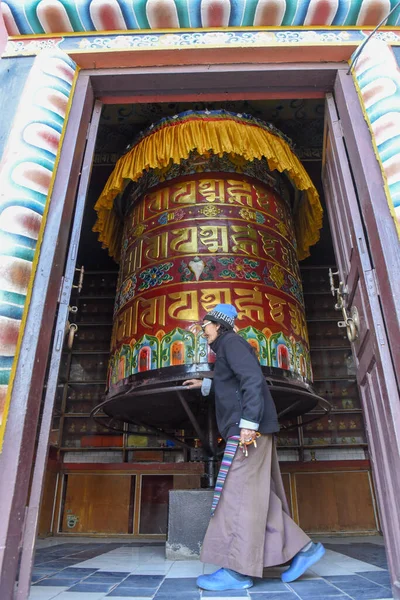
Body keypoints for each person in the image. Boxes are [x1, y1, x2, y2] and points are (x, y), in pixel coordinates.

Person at [183, 303, 325, 592]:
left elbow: (251, 381)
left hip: (249, 431)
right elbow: (232, 383)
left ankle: (237, 570)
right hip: (250, 429)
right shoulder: (227, 348)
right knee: (256, 496)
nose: (203, 330)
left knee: (237, 496)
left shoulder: (232, 343)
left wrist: (248, 423)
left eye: (205, 324)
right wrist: (206, 384)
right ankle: (303, 550)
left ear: (218, 325)